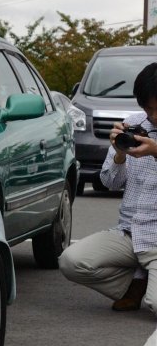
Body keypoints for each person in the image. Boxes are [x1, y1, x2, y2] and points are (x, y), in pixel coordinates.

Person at [60, 62, 157, 312]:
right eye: (148, 108)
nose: (153, 116)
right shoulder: (134, 124)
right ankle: (134, 286)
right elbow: (109, 183)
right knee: (72, 261)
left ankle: (147, 287)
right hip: (130, 232)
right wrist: (119, 155)